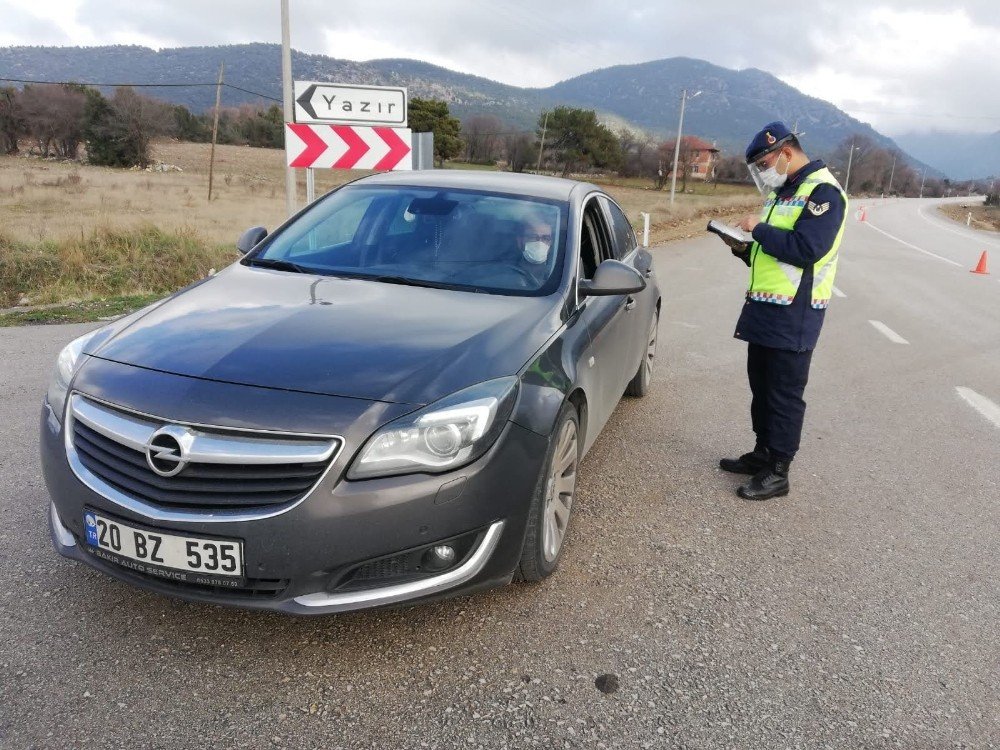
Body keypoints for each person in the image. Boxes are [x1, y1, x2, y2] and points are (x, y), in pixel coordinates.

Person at [721, 121, 847, 501]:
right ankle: (762, 453)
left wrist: (758, 229)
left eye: (764, 163)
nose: (763, 172)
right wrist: (744, 248)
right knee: (761, 386)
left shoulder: (823, 192)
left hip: (795, 312)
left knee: (784, 393)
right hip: (765, 307)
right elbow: (776, 254)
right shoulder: (784, 192)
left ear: (787, 153)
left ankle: (779, 470)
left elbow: (806, 249)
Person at [514, 209, 557, 287]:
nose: (540, 243)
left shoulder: (559, 278)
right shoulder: (507, 274)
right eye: (533, 237)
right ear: (520, 242)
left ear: (551, 243)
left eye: (545, 238)